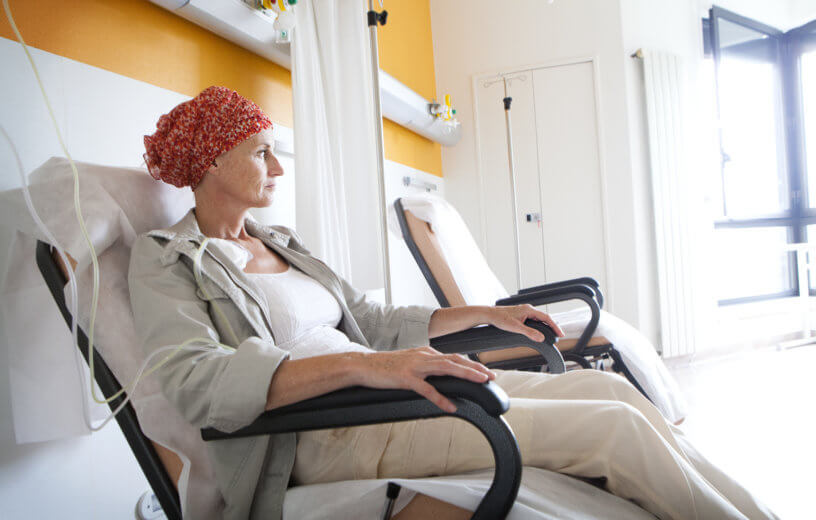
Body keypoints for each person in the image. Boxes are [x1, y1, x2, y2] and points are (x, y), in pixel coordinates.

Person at [129, 86, 776, 520]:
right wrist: (367, 366)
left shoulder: (282, 243)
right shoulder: (165, 258)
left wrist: (487, 314)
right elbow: (196, 380)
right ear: (211, 163)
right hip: (324, 432)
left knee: (615, 394)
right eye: (261, 152)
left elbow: (372, 322)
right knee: (613, 433)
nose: (277, 167)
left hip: (387, 393)